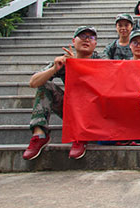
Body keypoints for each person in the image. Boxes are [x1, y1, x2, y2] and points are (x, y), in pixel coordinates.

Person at [23, 26, 102, 161]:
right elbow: (33, 82)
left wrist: (78, 66)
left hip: (96, 110)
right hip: (72, 109)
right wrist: (54, 68)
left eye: (91, 37)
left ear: (95, 43)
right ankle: (39, 134)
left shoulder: (101, 60)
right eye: (83, 36)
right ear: (74, 41)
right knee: (45, 85)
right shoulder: (65, 61)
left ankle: (80, 135)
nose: (87, 40)